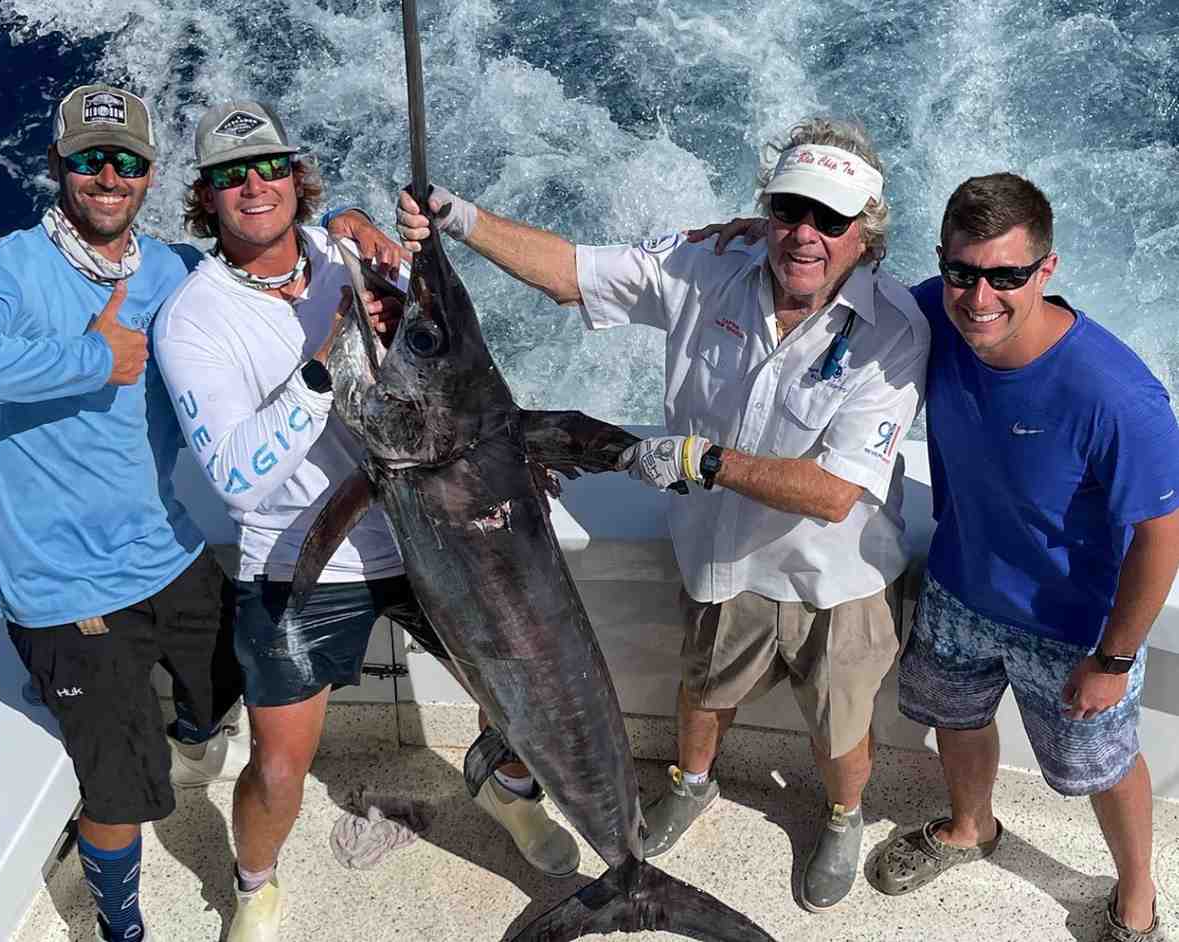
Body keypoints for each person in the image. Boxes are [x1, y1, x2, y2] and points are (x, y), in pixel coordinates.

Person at [396, 117, 931, 911]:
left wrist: (699, 460)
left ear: (867, 232)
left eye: (830, 218)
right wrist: (458, 219)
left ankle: (845, 817)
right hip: (720, 551)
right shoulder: (707, 258)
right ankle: (691, 785)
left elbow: (833, 493)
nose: (804, 234)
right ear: (766, 210)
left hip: (836, 573)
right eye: (789, 209)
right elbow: (571, 273)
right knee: (703, 692)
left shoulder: (895, 331)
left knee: (839, 725)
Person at [699, 172, 1179, 941]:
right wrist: (755, 233)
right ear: (942, 264)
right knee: (957, 722)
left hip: (1073, 630)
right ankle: (969, 827)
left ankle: (1136, 896)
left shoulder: (1116, 395)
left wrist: (1113, 660)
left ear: (1044, 271)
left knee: (1103, 767)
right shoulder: (931, 312)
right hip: (957, 589)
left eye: (1006, 276)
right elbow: (833, 267)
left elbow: (1161, 534)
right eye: (962, 272)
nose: (979, 297)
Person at [152, 99, 579, 942]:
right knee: (279, 766)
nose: (253, 186)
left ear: (295, 176)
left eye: (269, 165)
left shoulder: (349, 251)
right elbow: (239, 478)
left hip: (426, 521)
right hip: (303, 555)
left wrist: (395, 280)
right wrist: (328, 365)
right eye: (229, 176)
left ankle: (507, 787)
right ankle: (253, 884)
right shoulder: (192, 320)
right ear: (206, 198)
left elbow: (449, 377)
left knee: (525, 697)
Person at [0, 83, 252, 942]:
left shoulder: (173, 267)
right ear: (57, 166)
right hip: (68, 593)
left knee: (227, 681)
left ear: (149, 173)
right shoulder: (6, 271)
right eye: (88, 158)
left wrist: (352, 232)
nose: (108, 175)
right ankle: (120, 920)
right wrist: (87, 357)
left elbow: (262, 271)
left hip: (165, 550)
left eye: (127, 160)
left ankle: (186, 728)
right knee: (120, 790)